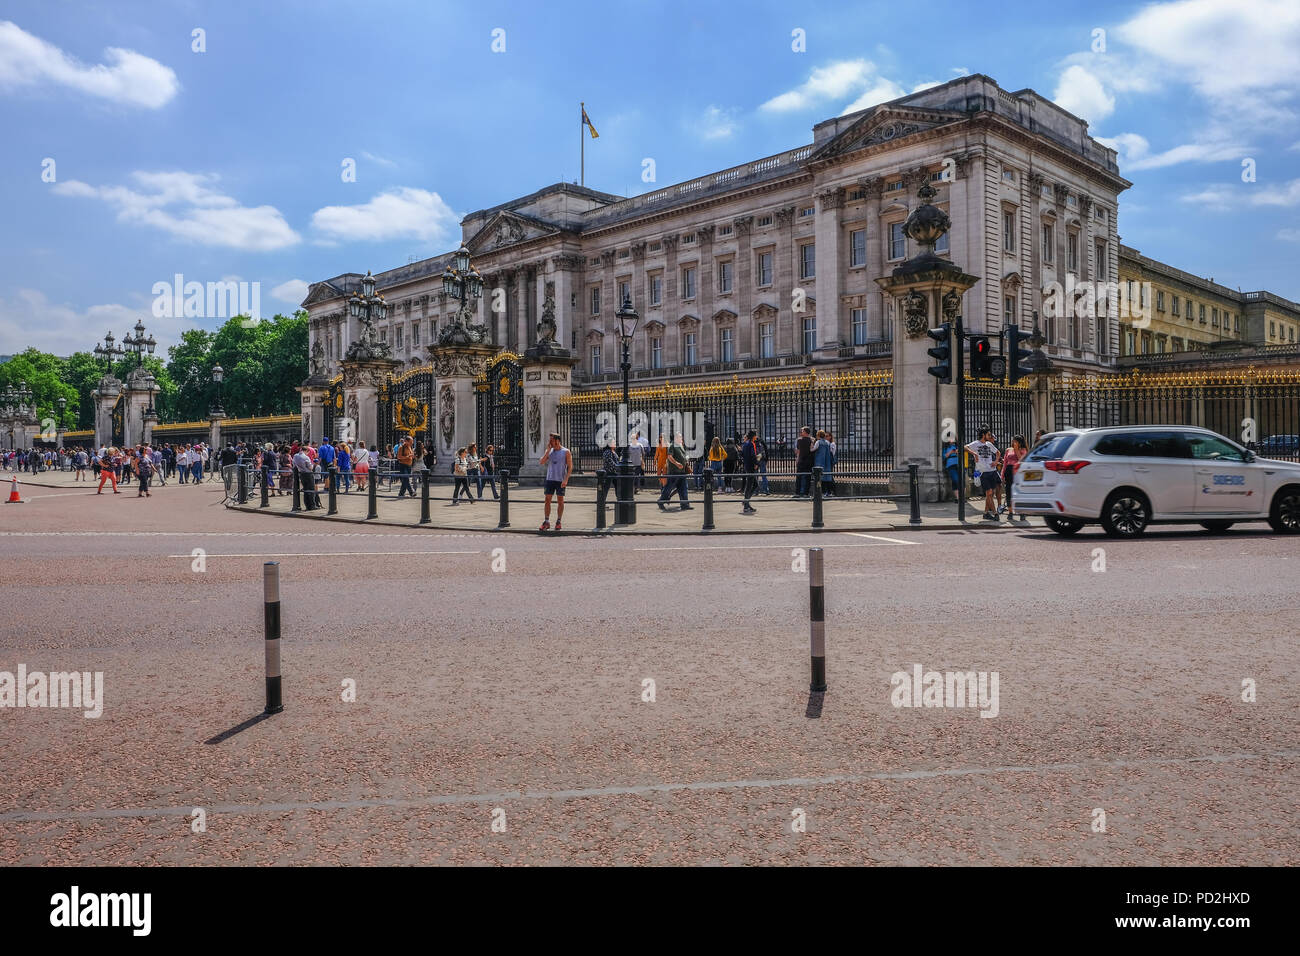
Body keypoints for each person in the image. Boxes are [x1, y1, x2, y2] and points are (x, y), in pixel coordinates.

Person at [965, 426, 1001, 522]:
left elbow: (998, 452)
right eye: (988, 434)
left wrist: (996, 462)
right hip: (983, 472)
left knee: (990, 494)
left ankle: (985, 513)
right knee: (989, 493)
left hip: (992, 471)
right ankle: (995, 513)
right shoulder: (976, 443)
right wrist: (974, 453)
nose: (990, 436)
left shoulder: (989, 444)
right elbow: (965, 447)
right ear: (983, 435)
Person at [538, 432, 571, 531]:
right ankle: (546, 521)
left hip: (560, 480)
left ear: (557, 440)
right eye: (550, 440)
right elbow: (542, 462)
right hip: (550, 479)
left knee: (560, 501)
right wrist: (547, 451)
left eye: (552, 440)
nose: (550, 442)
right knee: (547, 500)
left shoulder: (566, 451)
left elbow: (570, 467)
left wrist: (566, 479)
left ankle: (559, 521)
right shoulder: (549, 450)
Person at [656, 434, 692, 511]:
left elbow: (683, 456)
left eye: (681, 437)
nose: (681, 438)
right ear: (676, 438)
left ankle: (684, 504)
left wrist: (685, 459)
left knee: (683, 488)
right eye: (680, 437)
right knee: (668, 488)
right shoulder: (672, 446)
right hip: (674, 471)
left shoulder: (680, 446)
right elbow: (669, 456)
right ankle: (661, 501)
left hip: (682, 472)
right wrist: (677, 463)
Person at [1002, 434, 1027, 521]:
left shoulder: (1023, 450)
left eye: (1016, 441)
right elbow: (1005, 463)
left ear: (1020, 443)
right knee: (1008, 492)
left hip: (1018, 472)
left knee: (1019, 492)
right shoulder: (1008, 450)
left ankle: (1022, 512)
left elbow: (1021, 460)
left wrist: (1017, 450)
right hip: (1008, 471)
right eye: (1013, 441)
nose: (1014, 443)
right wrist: (1002, 475)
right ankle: (1010, 512)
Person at [740, 429, 760, 515]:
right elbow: (752, 455)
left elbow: (741, 455)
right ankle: (746, 504)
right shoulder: (751, 444)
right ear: (753, 436)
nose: (757, 437)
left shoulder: (745, 444)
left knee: (753, 485)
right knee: (750, 486)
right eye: (756, 435)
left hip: (747, 466)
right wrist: (756, 463)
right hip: (751, 466)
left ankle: (746, 502)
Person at [293, 445, 319, 509]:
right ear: (307, 451)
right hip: (308, 474)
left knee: (305, 490)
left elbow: (294, 464)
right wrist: (313, 466)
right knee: (311, 490)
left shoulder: (295, 456)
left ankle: (307, 505)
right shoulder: (306, 457)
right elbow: (310, 467)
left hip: (301, 474)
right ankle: (312, 505)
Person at [813, 429, 837, 497]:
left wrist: (811, 446)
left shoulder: (818, 442)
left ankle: (824, 492)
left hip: (820, 462)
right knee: (827, 477)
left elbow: (813, 449)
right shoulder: (828, 443)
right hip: (827, 462)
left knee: (821, 478)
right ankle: (829, 492)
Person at [794, 426, 814, 498]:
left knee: (799, 477)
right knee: (807, 477)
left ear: (805, 432)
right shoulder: (812, 440)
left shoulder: (799, 440)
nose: (801, 432)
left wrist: (797, 459)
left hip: (801, 460)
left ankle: (797, 492)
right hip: (809, 460)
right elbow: (812, 449)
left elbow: (798, 451)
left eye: (802, 431)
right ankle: (806, 493)